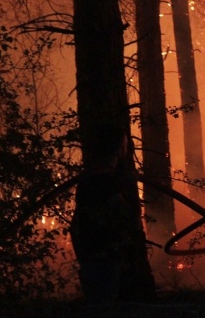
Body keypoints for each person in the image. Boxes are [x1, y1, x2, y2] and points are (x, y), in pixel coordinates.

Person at [70, 124, 142, 304]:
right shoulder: (106, 183)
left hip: (91, 256)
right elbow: (125, 216)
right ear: (119, 149)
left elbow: (76, 225)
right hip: (103, 258)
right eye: (125, 145)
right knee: (103, 307)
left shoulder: (87, 181)